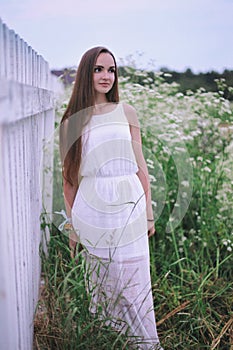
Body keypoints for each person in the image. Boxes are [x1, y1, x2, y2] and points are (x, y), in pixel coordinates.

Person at [59, 46, 163, 349]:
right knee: (102, 280)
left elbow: (140, 165)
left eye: (111, 70)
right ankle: (110, 341)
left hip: (128, 201)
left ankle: (144, 343)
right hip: (92, 205)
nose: (106, 76)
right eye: (98, 69)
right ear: (86, 74)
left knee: (133, 276)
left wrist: (148, 211)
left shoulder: (126, 111)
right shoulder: (73, 121)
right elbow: (68, 181)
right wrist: (73, 227)